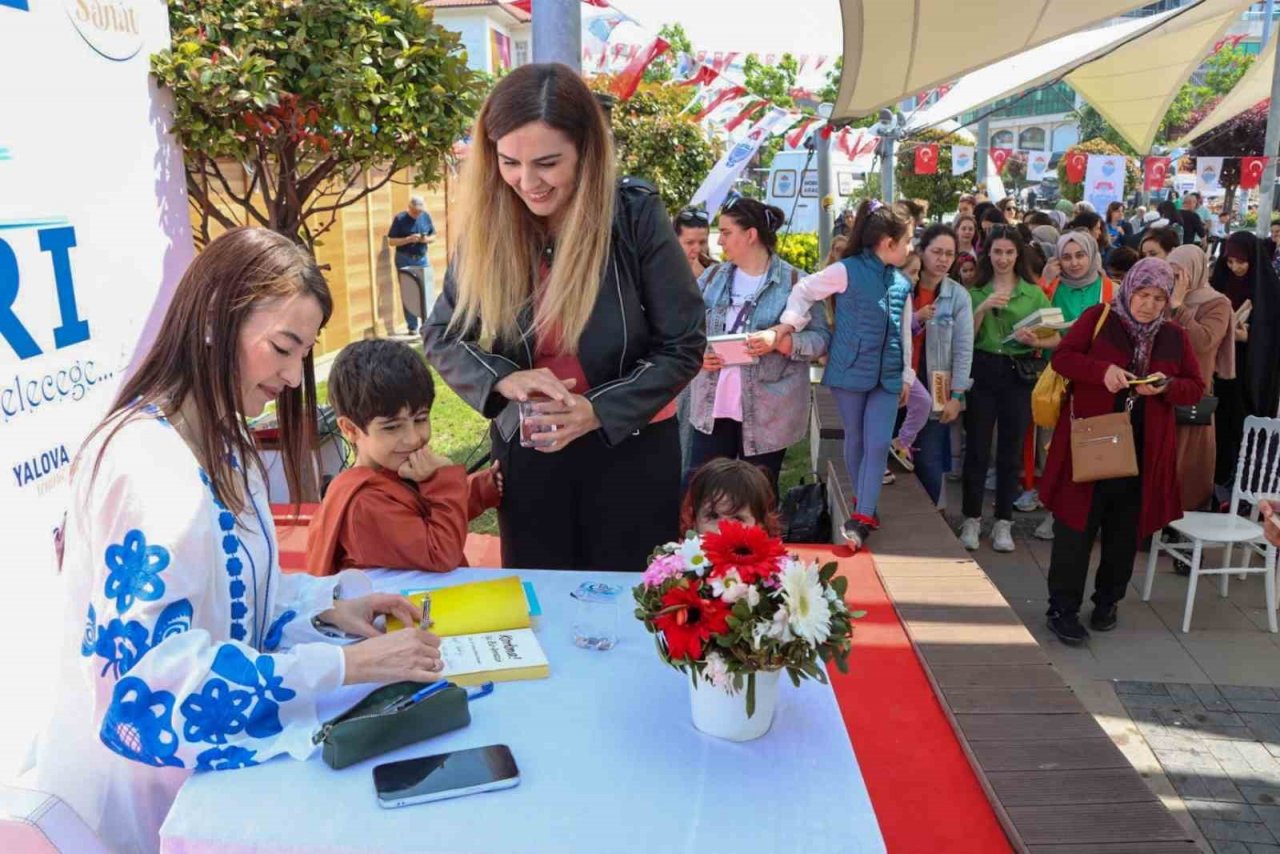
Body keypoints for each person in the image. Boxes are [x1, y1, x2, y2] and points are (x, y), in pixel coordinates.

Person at [35, 228, 444, 852]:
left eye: (302, 354)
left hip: (211, 786)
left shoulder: (225, 446)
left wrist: (330, 611)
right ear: (215, 320)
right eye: (282, 348)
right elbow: (148, 687)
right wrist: (346, 664)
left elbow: (238, 604)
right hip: (156, 804)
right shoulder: (147, 464)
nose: (289, 375)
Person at [424, 63, 705, 573]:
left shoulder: (635, 216)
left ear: (586, 151)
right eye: (509, 162)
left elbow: (683, 344)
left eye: (547, 163)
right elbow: (442, 336)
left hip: (631, 448)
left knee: (631, 611)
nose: (526, 183)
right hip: (530, 451)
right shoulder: (488, 227)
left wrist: (596, 409)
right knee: (542, 609)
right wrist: (506, 379)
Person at [1039, 259, 1204, 643]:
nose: (1148, 304)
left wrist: (1166, 386)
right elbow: (1063, 357)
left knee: (1124, 533)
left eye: (1158, 297)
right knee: (1076, 527)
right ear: (1129, 290)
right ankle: (1062, 608)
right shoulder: (1099, 318)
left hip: (1144, 450)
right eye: (1143, 294)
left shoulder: (1174, 336)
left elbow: (1195, 386)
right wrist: (1102, 372)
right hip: (1092, 441)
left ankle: (1107, 601)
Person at [774, 199, 915, 550]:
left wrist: (908, 376)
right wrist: (790, 324)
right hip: (850, 370)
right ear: (888, 242)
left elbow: (905, 332)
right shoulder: (846, 270)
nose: (913, 248)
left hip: (888, 374)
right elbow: (804, 290)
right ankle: (863, 503)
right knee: (855, 438)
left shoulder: (902, 283)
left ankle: (863, 515)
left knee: (879, 441)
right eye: (909, 240)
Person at [305, 339, 503, 576]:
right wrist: (442, 480)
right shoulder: (364, 504)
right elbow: (440, 552)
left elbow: (422, 511)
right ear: (350, 429)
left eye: (420, 419)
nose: (412, 438)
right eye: (391, 427)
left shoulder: (391, 470)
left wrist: (480, 490)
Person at [685, 198, 830, 493]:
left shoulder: (795, 283)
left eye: (726, 232)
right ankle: (702, 541)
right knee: (701, 491)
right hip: (712, 407)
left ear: (750, 235)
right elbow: (686, 330)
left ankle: (754, 541)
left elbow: (821, 339)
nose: (720, 240)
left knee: (757, 496)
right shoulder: (711, 278)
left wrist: (784, 343)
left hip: (768, 413)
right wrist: (699, 354)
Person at [959, 225, 1053, 554]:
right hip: (983, 369)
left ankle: (1003, 522)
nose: (1003, 258)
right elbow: (964, 340)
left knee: (1011, 450)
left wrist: (1036, 339)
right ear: (988, 254)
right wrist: (982, 309)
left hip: (1019, 372)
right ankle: (971, 518)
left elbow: (1055, 334)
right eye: (997, 252)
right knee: (978, 447)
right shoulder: (974, 291)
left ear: (1018, 254)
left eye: (1009, 252)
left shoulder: (1033, 291)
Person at [1022, 230, 1116, 534]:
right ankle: (1056, 512)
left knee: (1093, 448)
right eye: (1067, 256)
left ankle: (1090, 516)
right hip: (1058, 377)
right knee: (1055, 448)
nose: (1074, 263)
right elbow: (1041, 326)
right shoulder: (1053, 287)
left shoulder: (1110, 289)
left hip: (1097, 382)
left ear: (1092, 255)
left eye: (1080, 255)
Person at [895, 225, 973, 505]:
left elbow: (964, 350)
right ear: (922, 250)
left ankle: (928, 521)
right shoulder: (899, 286)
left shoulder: (958, 296)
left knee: (928, 461)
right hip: (893, 384)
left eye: (949, 254)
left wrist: (957, 396)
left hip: (933, 389)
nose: (942, 259)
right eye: (937, 252)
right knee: (888, 461)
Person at [1210, 231, 1280, 487]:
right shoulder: (1221, 282)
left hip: (1251, 370)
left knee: (1242, 423)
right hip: (1221, 368)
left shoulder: (1268, 288)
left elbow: (1271, 335)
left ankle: (1241, 482)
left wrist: (1245, 337)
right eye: (1230, 261)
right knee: (1221, 422)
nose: (1235, 267)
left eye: (1241, 261)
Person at [1167, 245, 1233, 512]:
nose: (1173, 281)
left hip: (1194, 391)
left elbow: (1203, 342)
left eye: (1178, 274)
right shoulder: (1163, 296)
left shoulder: (1218, 303)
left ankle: (1183, 519)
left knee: (1188, 461)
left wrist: (1178, 307)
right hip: (1161, 387)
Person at [680, 456, 782, 536]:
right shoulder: (677, 561)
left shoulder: (778, 562)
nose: (723, 530)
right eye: (713, 516)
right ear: (693, 521)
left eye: (737, 519)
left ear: (760, 526)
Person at [387, 195, 436, 335]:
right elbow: (391, 241)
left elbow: (434, 236)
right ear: (409, 208)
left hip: (422, 258)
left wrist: (425, 240)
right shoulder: (400, 219)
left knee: (425, 291)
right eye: (415, 212)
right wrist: (407, 239)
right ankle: (412, 326)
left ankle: (426, 325)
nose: (417, 214)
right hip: (404, 258)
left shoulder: (426, 217)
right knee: (409, 291)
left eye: (419, 212)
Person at [674, 207, 714, 278]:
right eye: (690, 243)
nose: (698, 250)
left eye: (702, 242)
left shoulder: (719, 273)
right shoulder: (661, 274)